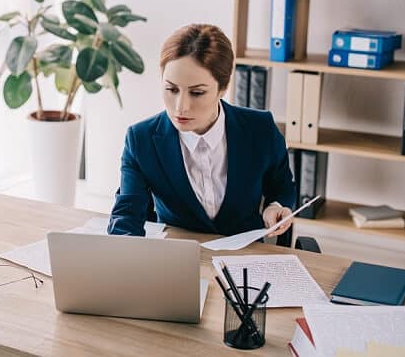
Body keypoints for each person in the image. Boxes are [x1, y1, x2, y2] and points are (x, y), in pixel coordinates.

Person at [107, 24, 295, 239]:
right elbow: (128, 214)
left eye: (196, 93)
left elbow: (282, 186)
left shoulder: (260, 128)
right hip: (176, 256)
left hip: (246, 256)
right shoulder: (141, 140)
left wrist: (276, 205)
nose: (181, 107)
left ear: (223, 88)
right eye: (171, 89)